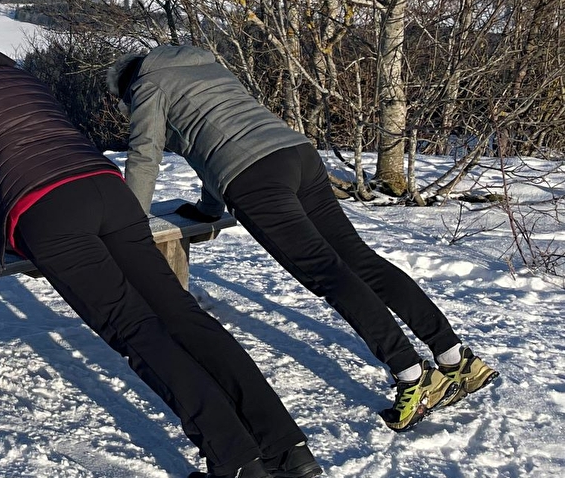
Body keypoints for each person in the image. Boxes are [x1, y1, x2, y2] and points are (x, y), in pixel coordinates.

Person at [0, 28, 324, 478]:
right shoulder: (25, 80)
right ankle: (289, 449)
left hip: (48, 211)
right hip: (107, 189)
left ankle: (234, 461)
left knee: (138, 332)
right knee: (184, 316)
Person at [108, 45, 498, 432]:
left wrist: (130, 222)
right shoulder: (207, 68)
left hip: (255, 181)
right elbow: (214, 146)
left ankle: (414, 377)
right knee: (359, 259)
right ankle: (456, 357)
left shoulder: (147, 84)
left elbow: (146, 152)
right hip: (296, 155)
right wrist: (209, 209)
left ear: (126, 87)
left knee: (328, 274)